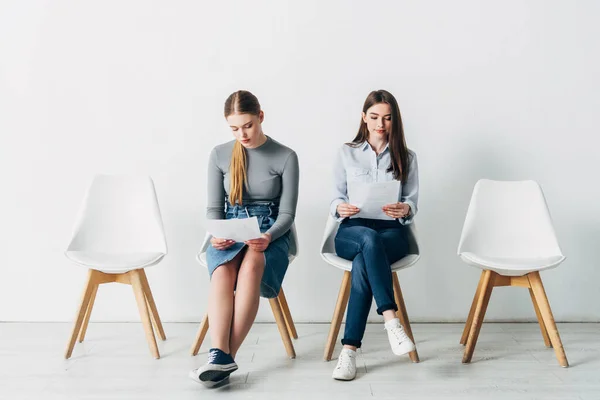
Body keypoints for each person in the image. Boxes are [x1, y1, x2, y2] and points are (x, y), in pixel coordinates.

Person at [190, 90, 299, 387]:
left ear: (260, 117)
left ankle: (223, 356)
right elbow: (215, 209)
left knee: (252, 267)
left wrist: (267, 236)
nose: (242, 134)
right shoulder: (219, 154)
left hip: (270, 230)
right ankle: (221, 358)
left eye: (248, 125)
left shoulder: (286, 156)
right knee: (224, 271)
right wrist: (217, 233)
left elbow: (288, 214)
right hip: (230, 228)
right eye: (235, 128)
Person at [330, 90, 419, 381]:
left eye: (388, 118)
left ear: (395, 120)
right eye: (375, 117)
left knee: (363, 261)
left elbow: (412, 202)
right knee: (367, 240)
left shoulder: (407, 157)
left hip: (391, 232)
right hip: (352, 231)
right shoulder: (346, 153)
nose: (381, 124)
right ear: (364, 117)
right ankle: (391, 321)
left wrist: (404, 207)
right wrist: (340, 207)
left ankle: (349, 352)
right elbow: (335, 198)